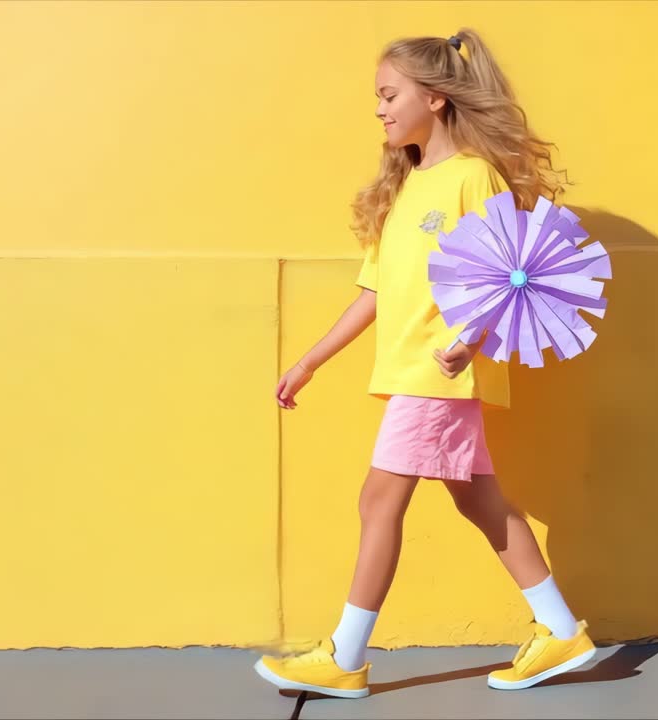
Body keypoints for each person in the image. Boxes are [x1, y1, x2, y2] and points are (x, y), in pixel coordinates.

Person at [254, 28, 594, 699]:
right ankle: (560, 632)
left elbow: (515, 267)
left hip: (440, 374)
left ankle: (345, 656)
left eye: (389, 95)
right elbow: (374, 293)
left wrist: (472, 337)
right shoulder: (409, 187)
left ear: (435, 98)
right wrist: (311, 360)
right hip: (417, 373)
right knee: (482, 502)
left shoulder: (471, 177)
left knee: (378, 500)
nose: (379, 109)